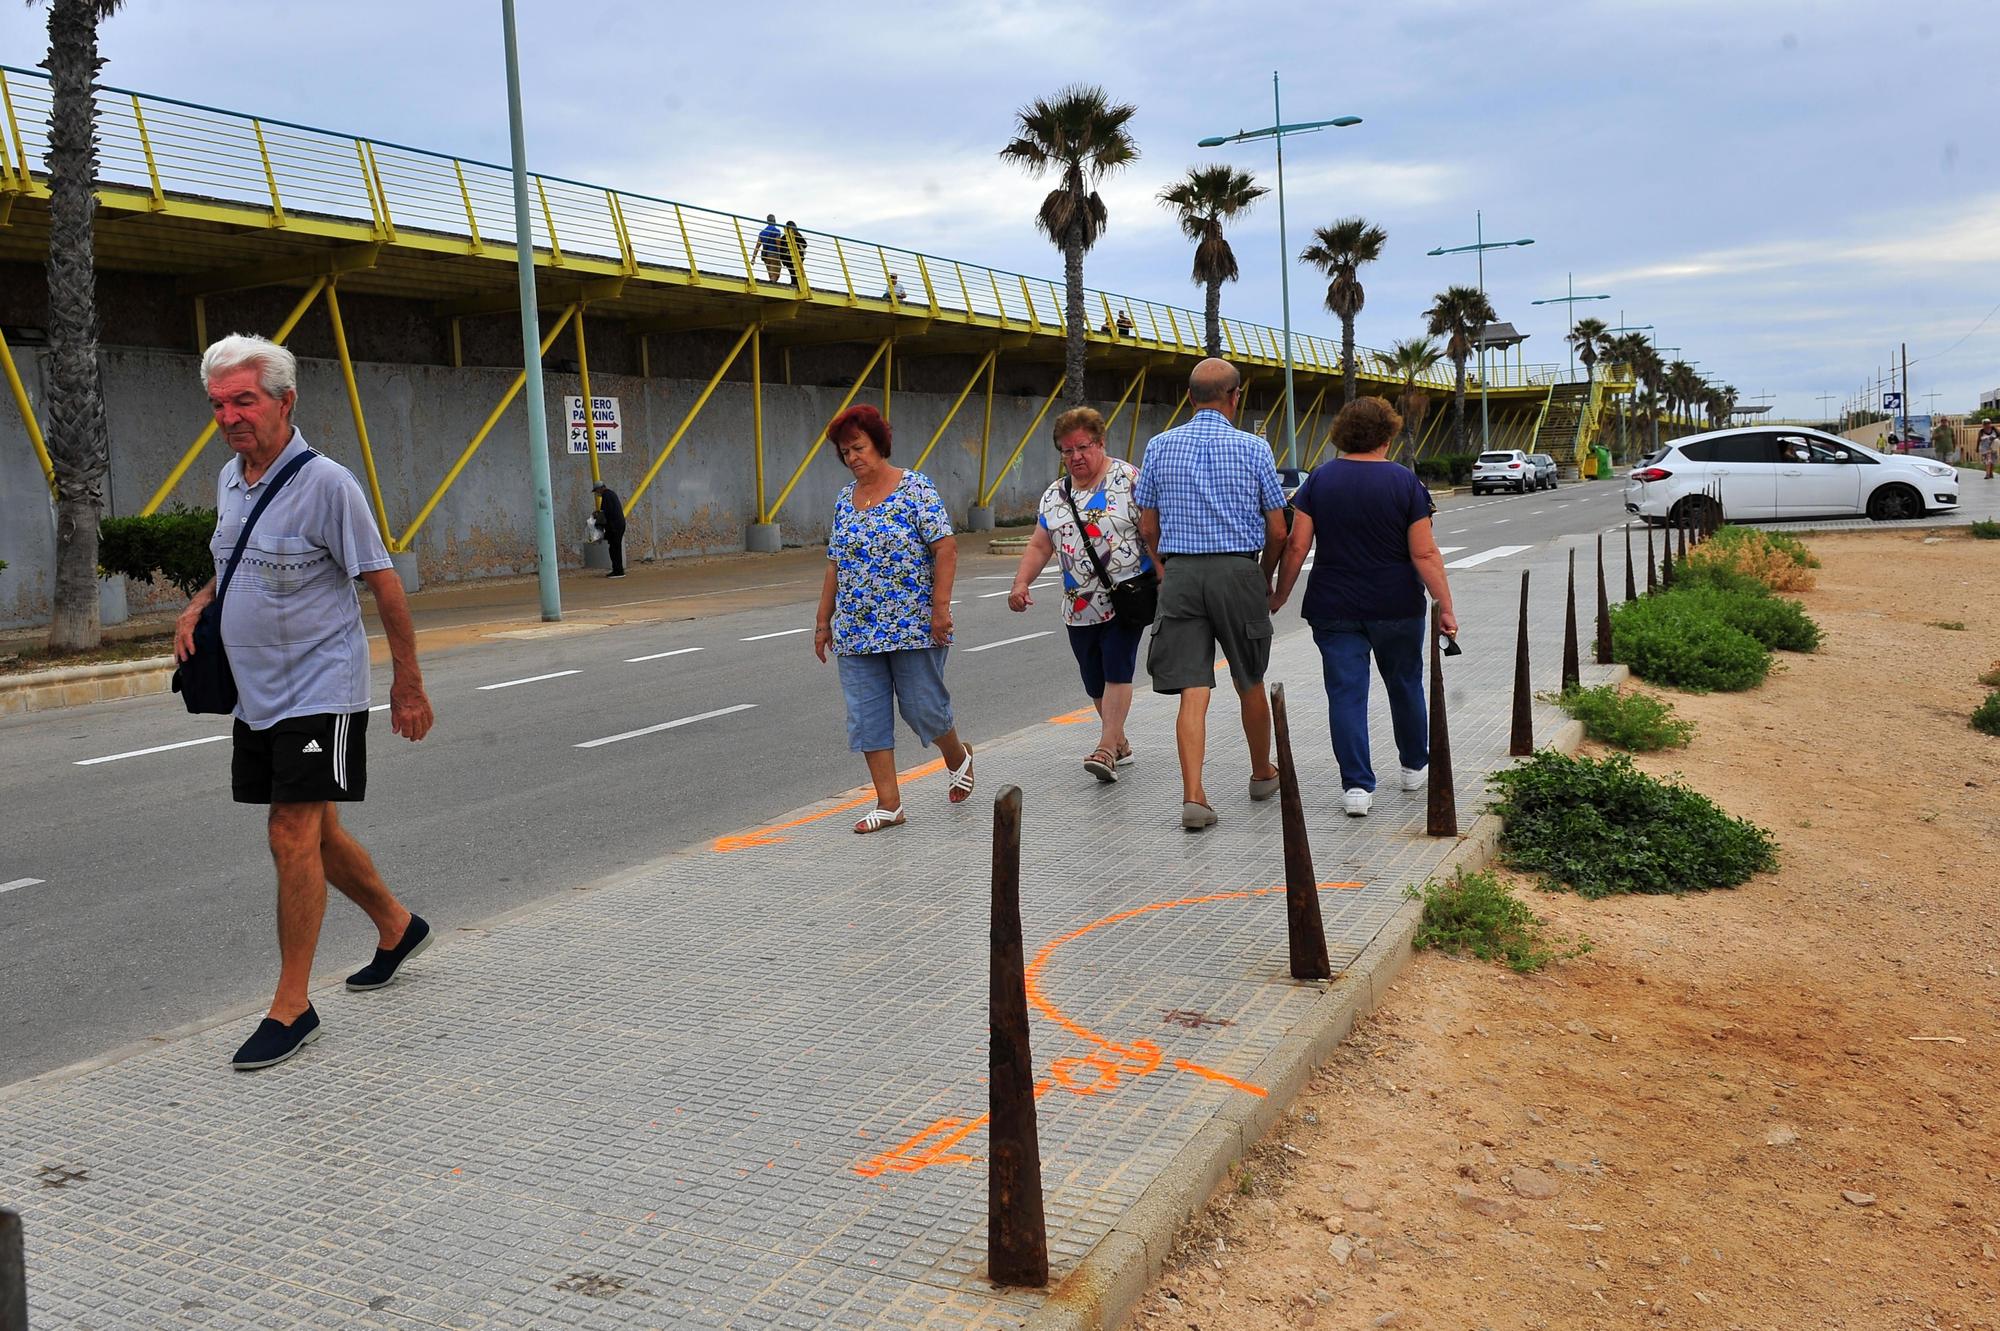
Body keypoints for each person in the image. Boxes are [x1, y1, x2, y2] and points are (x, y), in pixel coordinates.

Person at [173, 334, 436, 1070]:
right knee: (315, 832)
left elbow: (384, 583)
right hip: (257, 696)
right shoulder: (231, 480)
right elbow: (233, 561)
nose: (229, 417)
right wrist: (199, 603)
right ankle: (395, 923)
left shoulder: (327, 485)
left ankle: (293, 1004)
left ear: (285, 401)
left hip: (322, 689)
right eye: (218, 405)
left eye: (243, 401)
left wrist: (407, 683)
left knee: (290, 832)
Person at [1271, 397, 1457, 817]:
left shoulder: (1318, 480)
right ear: (1387, 434)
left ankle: (1356, 787)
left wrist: (1281, 594)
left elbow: (1298, 545)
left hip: (1333, 606)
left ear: (1343, 433)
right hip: (1397, 605)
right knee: (1405, 683)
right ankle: (1414, 766)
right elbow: (1424, 554)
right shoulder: (1406, 483)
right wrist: (1444, 606)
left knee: (1346, 693)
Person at [1135, 357, 1286, 832]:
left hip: (1181, 574)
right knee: (1249, 679)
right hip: (1238, 570)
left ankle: (1194, 796)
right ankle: (1262, 774)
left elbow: (1147, 524)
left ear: (1189, 396)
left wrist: (1165, 567)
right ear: (1234, 397)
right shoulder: (1254, 448)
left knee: (1193, 690)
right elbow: (1278, 528)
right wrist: (1263, 575)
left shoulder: (1158, 446)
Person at [813, 404, 975, 832]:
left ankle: (957, 755)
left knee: (924, 709)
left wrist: (941, 609)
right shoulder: (843, 502)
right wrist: (822, 621)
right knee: (867, 718)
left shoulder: (916, 488)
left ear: (879, 444)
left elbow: (946, 549)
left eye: (859, 448)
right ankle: (889, 804)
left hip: (913, 624)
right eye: (845, 452)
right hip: (855, 630)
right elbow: (835, 564)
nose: (852, 458)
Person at [1007, 407, 1158, 782]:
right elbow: (1041, 545)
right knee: (1094, 679)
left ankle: (1106, 750)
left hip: (1127, 595)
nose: (1075, 457)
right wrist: (1021, 583)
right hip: (1078, 605)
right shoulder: (1055, 496)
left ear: (1101, 443)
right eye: (1066, 450)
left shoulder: (1129, 480)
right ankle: (1119, 740)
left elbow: (1153, 533)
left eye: (1082, 447)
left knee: (1117, 668)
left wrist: (1165, 577)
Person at [591, 482, 626, 578]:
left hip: (615, 526)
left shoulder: (606, 495)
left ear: (600, 488)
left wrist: (598, 522)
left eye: (596, 491)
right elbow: (607, 510)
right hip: (617, 525)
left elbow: (606, 512)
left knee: (614, 549)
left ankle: (618, 571)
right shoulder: (610, 494)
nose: (597, 493)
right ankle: (618, 570)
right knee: (615, 548)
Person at [755, 213, 784, 283]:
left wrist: (753, 257)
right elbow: (778, 244)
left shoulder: (762, 232)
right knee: (776, 273)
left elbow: (757, 246)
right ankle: (773, 285)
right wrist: (780, 254)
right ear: (774, 221)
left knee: (771, 273)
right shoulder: (776, 231)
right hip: (774, 254)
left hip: (765, 255)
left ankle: (771, 281)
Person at [781, 219, 808, 286]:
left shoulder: (785, 236)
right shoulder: (796, 235)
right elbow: (804, 245)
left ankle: (795, 283)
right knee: (797, 272)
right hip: (795, 257)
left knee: (793, 272)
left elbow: (781, 247)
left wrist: (782, 259)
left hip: (788, 257)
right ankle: (798, 284)